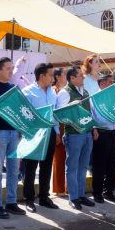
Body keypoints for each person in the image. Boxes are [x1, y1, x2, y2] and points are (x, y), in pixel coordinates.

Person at [0, 57, 26, 219]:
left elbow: (18, 109)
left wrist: (20, 130)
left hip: (14, 132)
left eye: (12, 68)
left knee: (14, 170)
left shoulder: (13, 88)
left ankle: (11, 202)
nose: (11, 71)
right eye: (8, 68)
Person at [21, 63, 60, 213]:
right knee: (31, 167)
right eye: (50, 75)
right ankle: (29, 199)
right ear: (42, 76)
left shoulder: (52, 92)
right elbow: (24, 115)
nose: (53, 78)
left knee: (46, 165)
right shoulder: (28, 92)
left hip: (50, 133)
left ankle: (44, 197)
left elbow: (54, 114)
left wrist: (56, 131)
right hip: (34, 134)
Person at [56, 67, 95, 210]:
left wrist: (94, 128)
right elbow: (60, 114)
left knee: (83, 166)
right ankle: (73, 197)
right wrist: (72, 107)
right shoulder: (65, 92)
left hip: (87, 133)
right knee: (72, 167)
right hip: (73, 134)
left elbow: (90, 112)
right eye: (80, 76)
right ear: (72, 78)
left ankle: (81, 195)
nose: (83, 77)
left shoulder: (85, 92)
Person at [91, 72, 115, 203]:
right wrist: (94, 129)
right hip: (101, 134)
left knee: (111, 164)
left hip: (112, 133)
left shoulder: (113, 97)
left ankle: (109, 191)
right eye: (110, 82)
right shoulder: (94, 97)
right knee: (99, 165)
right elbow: (92, 116)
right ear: (102, 84)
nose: (112, 84)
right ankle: (97, 192)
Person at [51, 68, 67, 196]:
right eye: (64, 74)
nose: (66, 76)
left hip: (68, 125)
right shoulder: (53, 91)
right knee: (59, 158)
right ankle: (59, 188)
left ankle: (67, 187)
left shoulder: (66, 90)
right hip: (58, 126)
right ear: (57, 77)